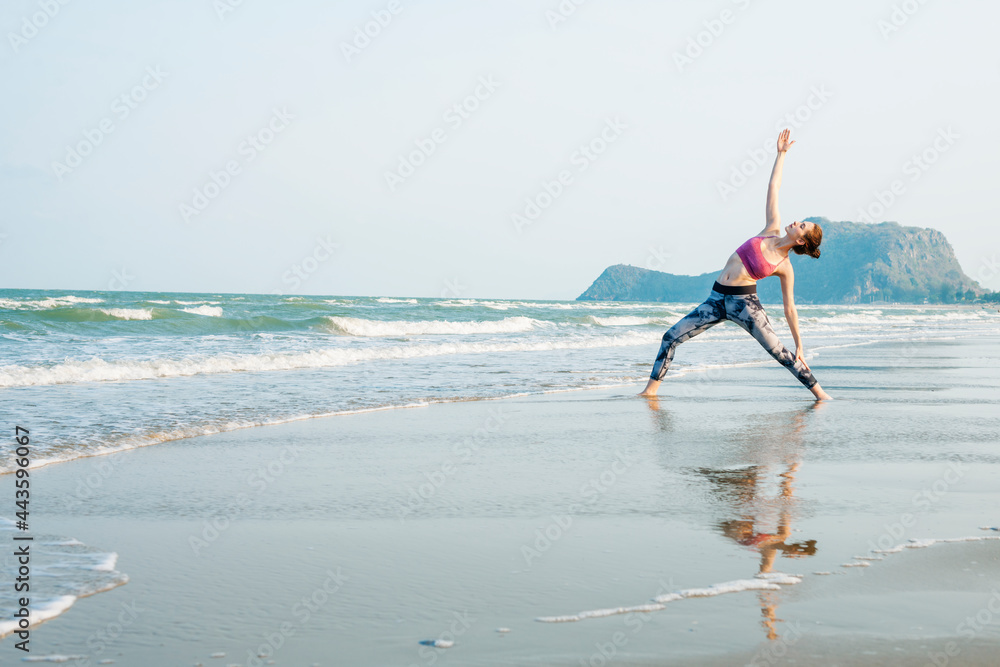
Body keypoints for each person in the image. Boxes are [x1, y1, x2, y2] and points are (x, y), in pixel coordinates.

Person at [639, 129, 832, 401]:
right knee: (670, 337)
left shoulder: (785, 266)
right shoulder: (771, 229)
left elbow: (790, 307)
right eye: (801, 220)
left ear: (801, 241)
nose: (796, 222)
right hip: (716, 298)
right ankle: (649, 393)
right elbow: (773, 187)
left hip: (745, 306)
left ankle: (822, 396)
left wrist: (800, 345)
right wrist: (781, 154)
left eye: (802, 226)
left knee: (780, 353)